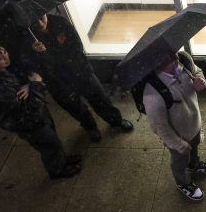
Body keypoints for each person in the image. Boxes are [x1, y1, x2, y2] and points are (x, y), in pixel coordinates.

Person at [0, 44, 81, 179]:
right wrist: (36, 85)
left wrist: (28, 85)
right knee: (49, 145)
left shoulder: (3, 71)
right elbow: (28, 110)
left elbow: (22, 84)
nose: (5, 58)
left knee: (52, 140)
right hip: (28, 124)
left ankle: (61, 159)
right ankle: (57, 171)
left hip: (35, 118)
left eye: (4, 52)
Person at [29, 14, 133, 142]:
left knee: (100, 98)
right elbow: (38, 66)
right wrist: (40, 54)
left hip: (80, 70)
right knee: (75, 108)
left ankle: (115, 120)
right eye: (35, 20)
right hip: (57, 82)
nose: (40, 23)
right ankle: (90, 127)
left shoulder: (60, 22)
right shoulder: (29, 36)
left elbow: (77, 48)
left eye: (41, 17)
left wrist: (48, 53)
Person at [143, 51, 206, 202]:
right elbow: (159, 126)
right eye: (168, 57)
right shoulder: (153, 94)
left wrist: (201, 80)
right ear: (156, 63)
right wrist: (178, 144)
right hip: (178, 137)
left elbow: (198, 71)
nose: (175, 58)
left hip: (193, 124)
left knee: (195, 146)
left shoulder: (183, 60)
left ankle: (194, 164)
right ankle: (182, 182)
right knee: (179, 161)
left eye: (173, 52)